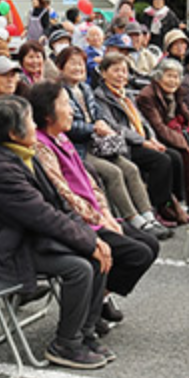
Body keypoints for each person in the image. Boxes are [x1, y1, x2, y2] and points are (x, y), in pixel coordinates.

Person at [0, 97, 113, 370]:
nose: (35, 126)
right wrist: (88, 241)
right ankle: (66, 343)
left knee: (99, 252)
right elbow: (41, 216)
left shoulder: (23, 154)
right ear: (13, 133)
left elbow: (56, 205)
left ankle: (85, 332)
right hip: (13, 247)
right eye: (29, 121)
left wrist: (93, 238)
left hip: (33, 237)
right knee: (80, 267)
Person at [28, 82, 157, 329]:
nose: (72, 111)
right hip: (79, 222)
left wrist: (106, 213)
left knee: (149, 244)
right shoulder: (41, 146)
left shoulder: (62, 138)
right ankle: (93, 306)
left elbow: (89, 182)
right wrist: (98, 220)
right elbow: (62, 193)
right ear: (47, 113)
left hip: (95, 217)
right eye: (65, 105)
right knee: (136, 253)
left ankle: (100, 298)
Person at [54, 46, 167, 239]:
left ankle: (148, 216)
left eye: (81, 63)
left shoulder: (85, 88)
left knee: (130, 168)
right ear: (61, 67)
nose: (78, 68)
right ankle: (132, 219)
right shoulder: (58, 92)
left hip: (100, 144)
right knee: (113, 172)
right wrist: (93, 128)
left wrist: (100, 123)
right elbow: (68, 126)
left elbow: (97, 114)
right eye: (72, 63)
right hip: (79, 148)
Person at [95, 51, 187, 227]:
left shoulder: (126, 94)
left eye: (124, 71)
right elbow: (115, 126)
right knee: (161, 161)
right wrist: (142, 141)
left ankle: (173, 204)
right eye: (116, 70)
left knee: (175, 156)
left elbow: (142, 120)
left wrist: (152, 138)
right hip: (125, 144)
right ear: (104, 72)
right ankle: (156, 207)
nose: (121, 75)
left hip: (142, 139)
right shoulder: (101, 96)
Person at [136, 57, 189, 205]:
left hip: (173, 130)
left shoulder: (176, 92)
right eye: (169, 76)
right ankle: (186, 199)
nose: (173, 81)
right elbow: (157, 127)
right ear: (159, 76)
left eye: (177, 76)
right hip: (157, 136)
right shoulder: (147, 96)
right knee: (180, 153)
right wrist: (183, 141)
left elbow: (187, 114)